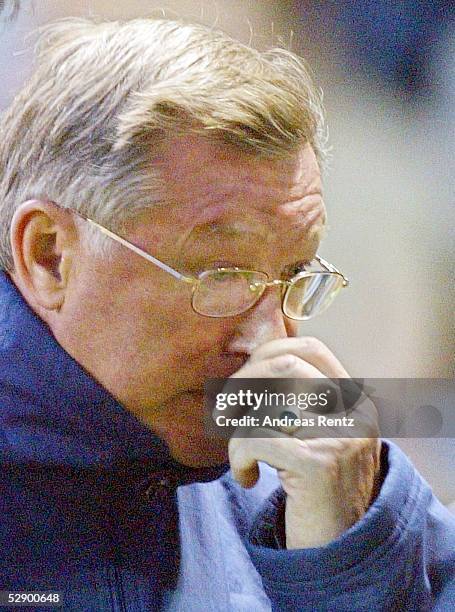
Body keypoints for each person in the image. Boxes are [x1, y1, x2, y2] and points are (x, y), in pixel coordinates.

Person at [0, 17, 453, 611]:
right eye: (222, 276)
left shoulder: (331, 472)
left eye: (294, 277)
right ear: (50, 256)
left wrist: (355, 560)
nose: (271, 343)